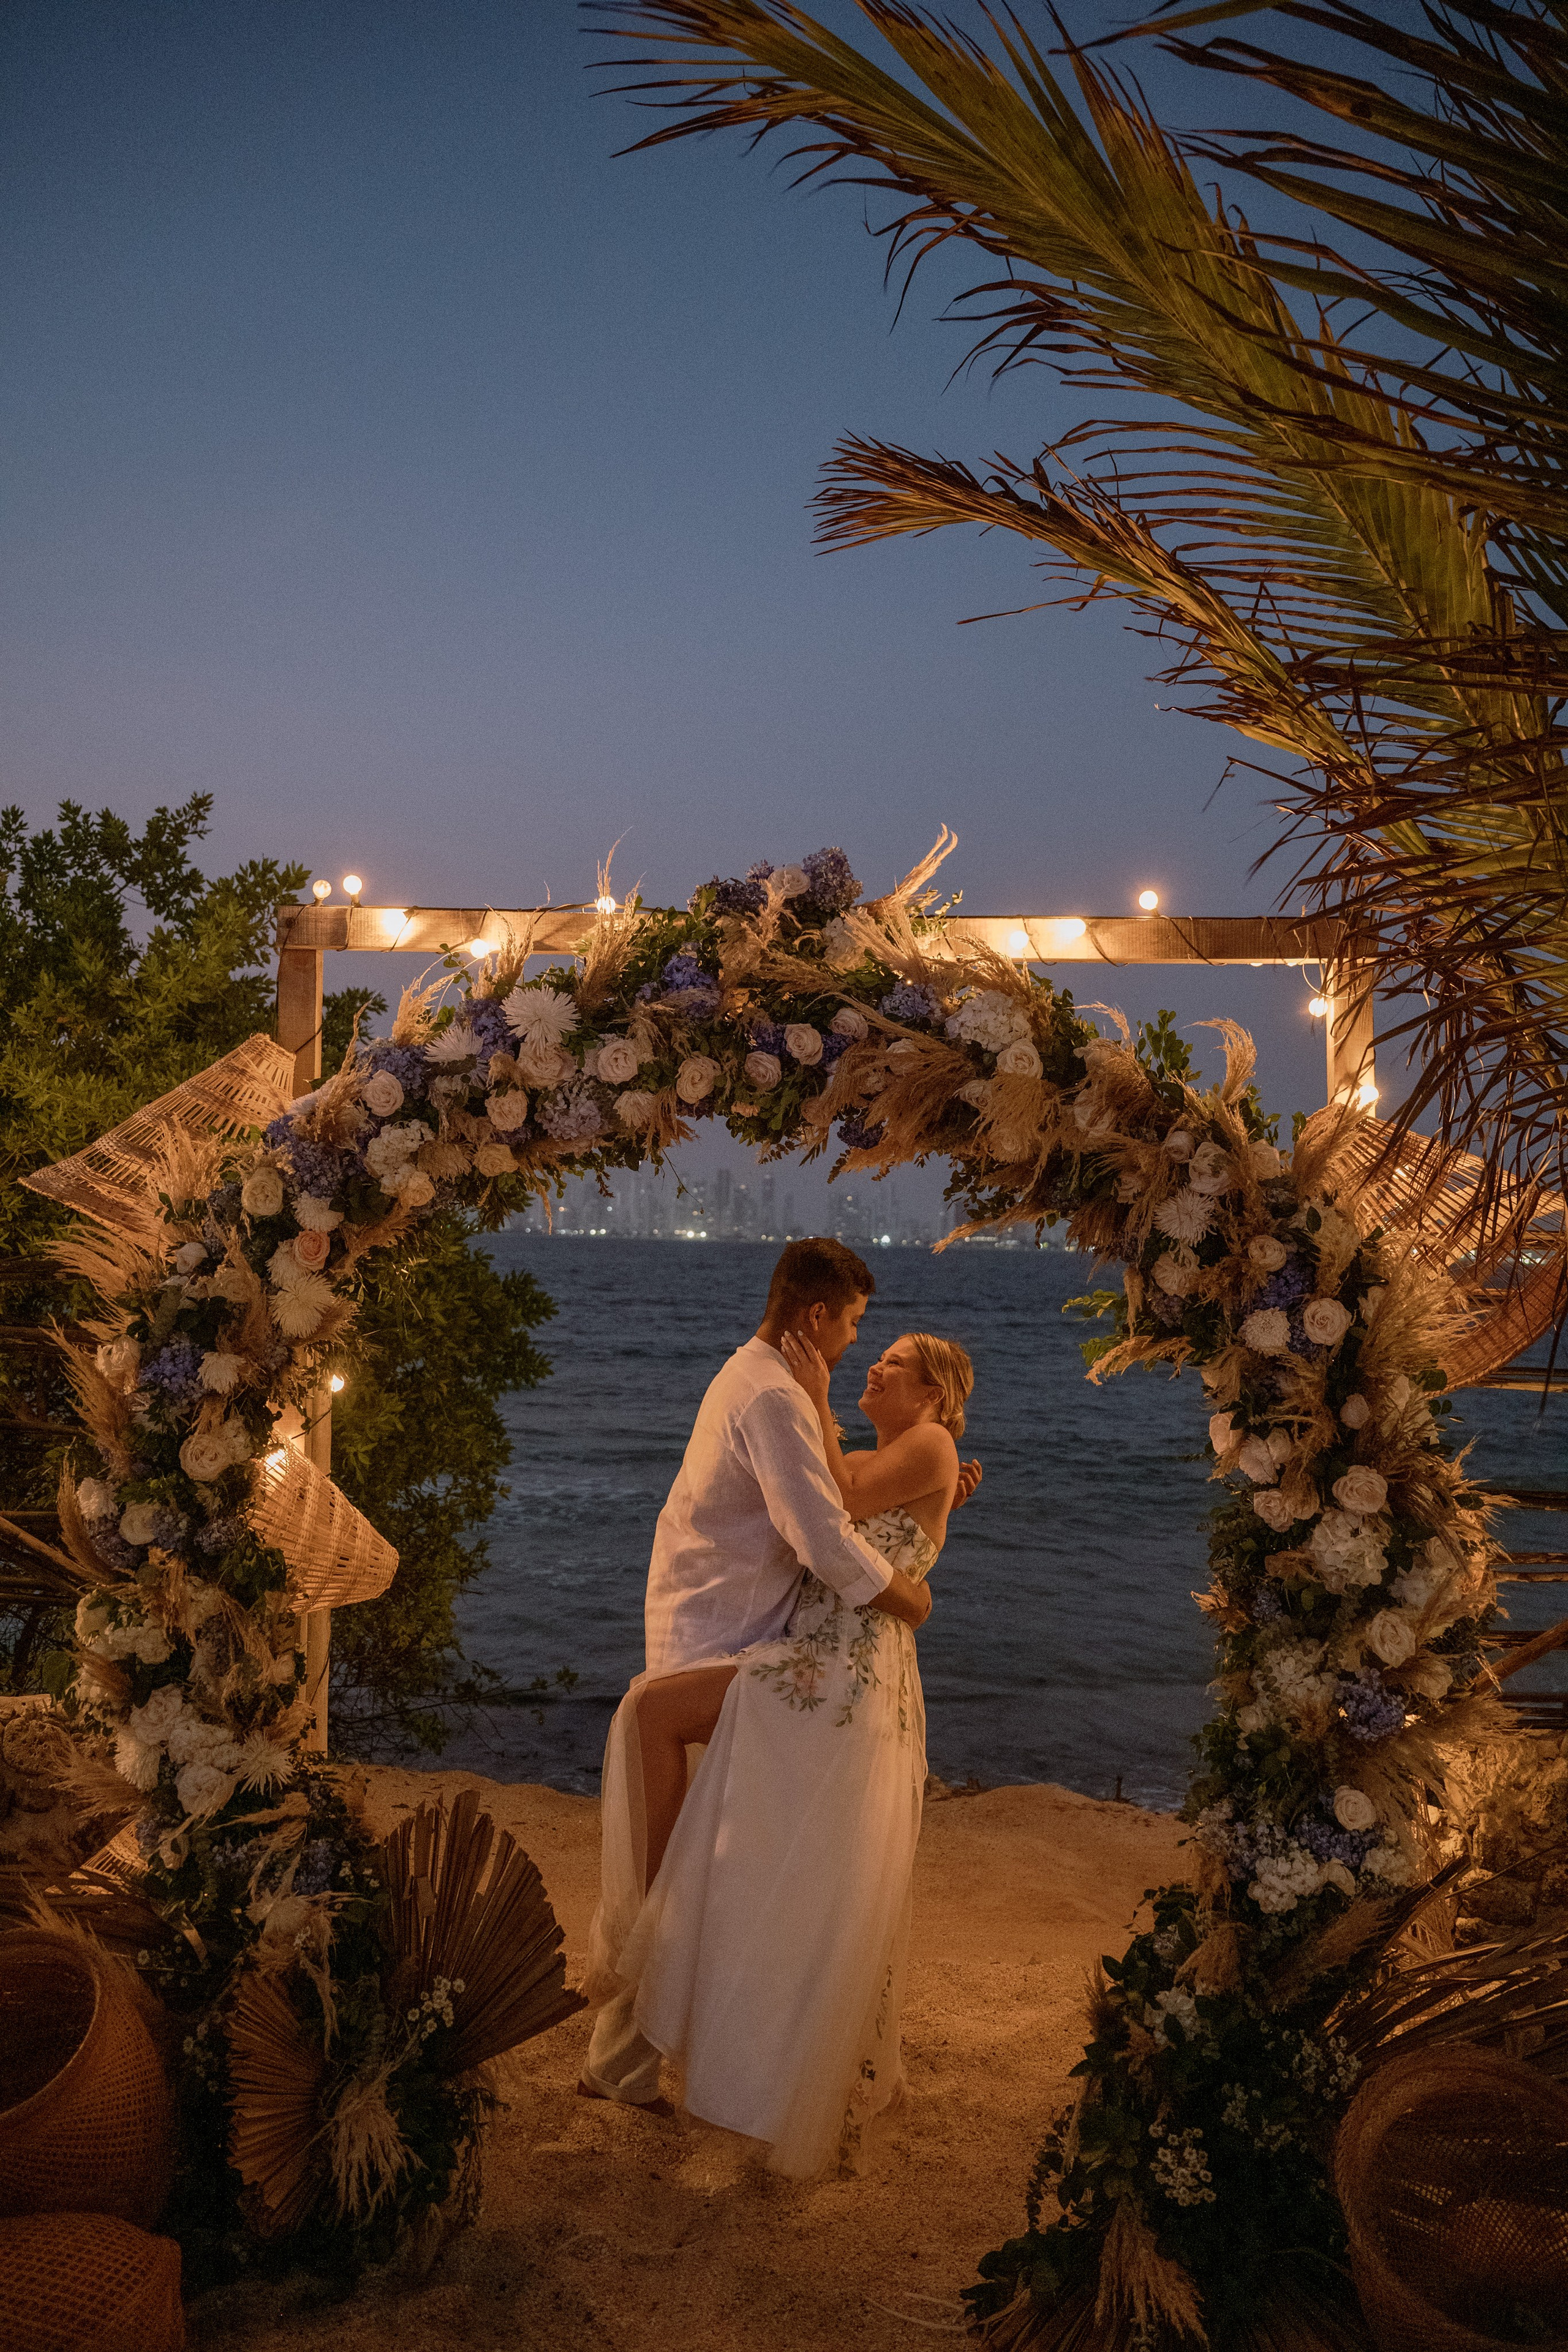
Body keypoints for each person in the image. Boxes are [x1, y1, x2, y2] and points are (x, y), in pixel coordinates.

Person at [584, 1240, 977, 2175]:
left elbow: (834, 1510)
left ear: (934, 1396)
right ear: (815, 1318)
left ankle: (649, 1926)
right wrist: (911, 1584)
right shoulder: (781, 1398)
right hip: (783, 1644)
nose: (862, 1353)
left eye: (890, 1359)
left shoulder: (869, 1426)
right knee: (705, 1799)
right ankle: (651, 1938)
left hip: (827, 1662)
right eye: (855, 1332)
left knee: (668, 1746)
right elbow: (822, 1519)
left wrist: (913, 1585)